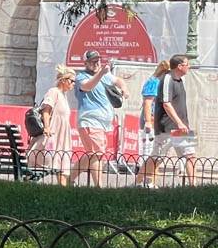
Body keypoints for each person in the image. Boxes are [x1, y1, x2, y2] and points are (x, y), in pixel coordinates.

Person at [68, 49, 126, 187]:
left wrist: (124, 89)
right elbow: (87, 87)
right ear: (86, 62)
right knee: (97, 154)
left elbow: (118, 80)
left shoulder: (105, 75)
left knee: (92, 154)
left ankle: (68, 180)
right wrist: (101, 73)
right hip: (90, 120)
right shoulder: (81, 76)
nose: (96, 63)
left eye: (98, 60)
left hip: (102, 122)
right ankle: (98, 187)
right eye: (92, 61)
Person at [153, 54, 197, 187]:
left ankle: (193, 187)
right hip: (168, 127)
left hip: (181, 127)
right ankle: (141, 182)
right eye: (187, 64)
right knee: (157, 158)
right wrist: (178, 122)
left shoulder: (180, 80)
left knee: (191, 155)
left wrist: (183, 124)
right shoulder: (168, 78)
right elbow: (166, 103)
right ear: (179, 66)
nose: (189, 67)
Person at [27, 64, 75, 186]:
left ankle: (62, 191)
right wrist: (47, 127)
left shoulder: (64, 96)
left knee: (61, 164)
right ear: (63, 80)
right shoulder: (54, 92)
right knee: (48, 160)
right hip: (52, 133)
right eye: (71, 80)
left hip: (62, 135)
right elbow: (46, 110)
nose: (73, 83)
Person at [132, 59, 170, 188]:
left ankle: (147, 181)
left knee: (157, 155)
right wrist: (148, 121)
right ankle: (144, 181)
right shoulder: (154, 82)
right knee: (151, 155)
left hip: (160, 123)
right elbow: (148, 103)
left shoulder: (162, 82)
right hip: (152, 123)